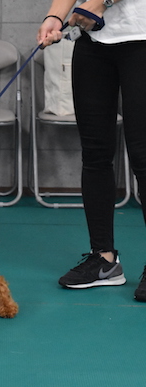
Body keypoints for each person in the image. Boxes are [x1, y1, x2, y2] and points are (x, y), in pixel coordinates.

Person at [37, 0, 146, 298]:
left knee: (143, 156)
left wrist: (98, 3)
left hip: (141, 39)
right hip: (94, 42)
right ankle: (104, 259)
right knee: (95, 153)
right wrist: (54, 17)